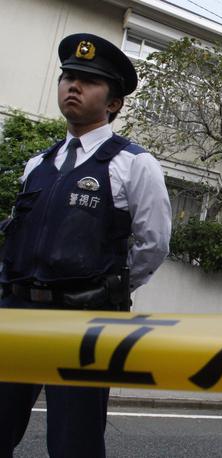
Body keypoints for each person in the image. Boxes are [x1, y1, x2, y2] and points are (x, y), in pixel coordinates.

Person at [0, 33, 171, 457]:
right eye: (68, 77)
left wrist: (108, 288)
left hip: (85, 319)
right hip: (17, 314)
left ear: (114, 103)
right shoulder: (38, 164)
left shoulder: (133, 164)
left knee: (74, 443)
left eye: (88, 81)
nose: (72, 86)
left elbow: (154, 244)